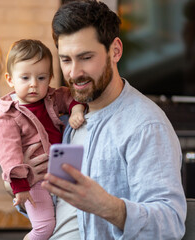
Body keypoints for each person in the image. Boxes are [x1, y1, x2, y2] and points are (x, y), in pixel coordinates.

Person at [20, 1, 187, 239]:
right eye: (66, 60)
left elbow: (170, 223)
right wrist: (24, 185)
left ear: (115, 51)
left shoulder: (145, 125)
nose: (74, 73)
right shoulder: (66, 119)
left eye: (86, 57)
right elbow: (63, 212)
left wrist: (107, 206)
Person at [0, 39, 86, 240]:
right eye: (25, 78)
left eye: (41, 77)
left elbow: (71, 96)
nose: (34, 84)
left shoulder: (51, 98)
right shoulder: (6, 119)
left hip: (58, 176)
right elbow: (10, 156)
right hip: (32, 182)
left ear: (50, 77)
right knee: (44, 228)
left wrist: (76, 109)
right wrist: (20, 188)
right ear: (10, 79)